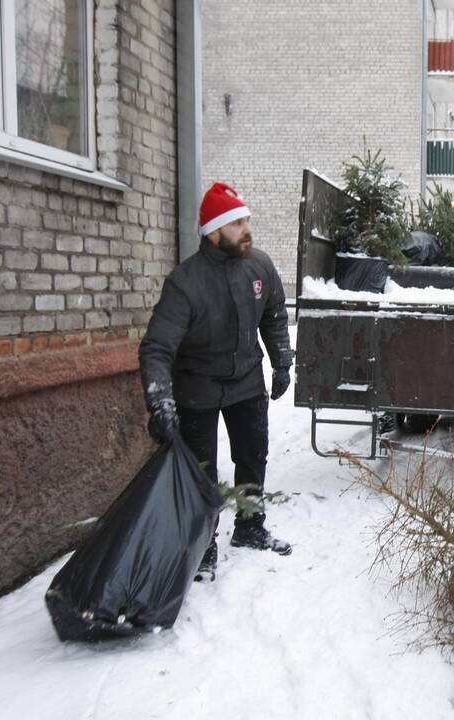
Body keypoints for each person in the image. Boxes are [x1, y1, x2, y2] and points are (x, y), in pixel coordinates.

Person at [138, 182, 294, 581]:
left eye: (246, 220)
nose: (247, 229)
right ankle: (202, 547)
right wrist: (161, 401)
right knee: (201, 471)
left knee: (252, 455)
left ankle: (250, 527)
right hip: (198, 388)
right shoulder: (185, 283)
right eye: (237, 222)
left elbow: (274, 313)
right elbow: (157, 347)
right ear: (213, 231)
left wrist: (281, 362)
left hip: (245, 381)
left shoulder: (259, 266)